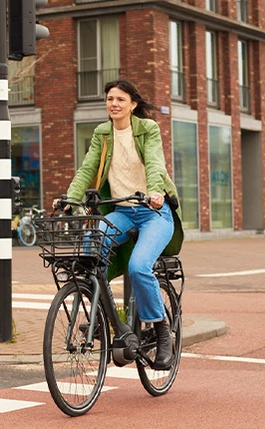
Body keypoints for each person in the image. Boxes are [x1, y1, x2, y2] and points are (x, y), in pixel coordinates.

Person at [62, 78, 184, 370]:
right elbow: (88, 167)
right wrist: (70, 198)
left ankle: (161, 330)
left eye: (119, 99)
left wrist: (155, 192)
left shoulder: (147, 129)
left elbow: (155, 162)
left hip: (153, 212)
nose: (113, 104)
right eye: (109, 99)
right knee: (89, 252)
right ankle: (103, 319)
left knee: (139, 266)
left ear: (133, 105)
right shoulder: (102, 134)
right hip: (121, 212)